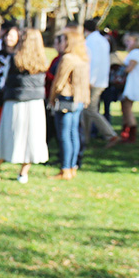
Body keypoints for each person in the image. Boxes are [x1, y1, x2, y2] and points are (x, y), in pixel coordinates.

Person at [0, 29, 51, 183]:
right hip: (35, 103)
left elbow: (3, 82)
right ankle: (23, 173)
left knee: (7, 135)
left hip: (15, 102)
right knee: (32, 136)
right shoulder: (42, 61)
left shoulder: (14, 59)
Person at [48, 28, 90, 180]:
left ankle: (65, 168)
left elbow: (59, 82)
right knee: (74, 134)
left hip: (66, 99)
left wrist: (52, 98)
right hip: (78, 100)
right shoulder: (82, 59)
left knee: (65, 135)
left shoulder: (67, 59)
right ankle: (72, 167)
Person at [82, 19, 122, 147]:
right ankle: (85, 137)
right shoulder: (102, 40)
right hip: (101, 80)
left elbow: (94, 62)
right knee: (86, 110)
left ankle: (110, 134)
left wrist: (90, 80)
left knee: (91, 110)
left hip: (93, 81)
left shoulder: (92, 41)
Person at [119, 32, 139, 143]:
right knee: (125, 109)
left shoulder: (136, 53)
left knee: (127, 109)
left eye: (129, 41)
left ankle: (130, 134)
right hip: (131, 84)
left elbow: (129, 68)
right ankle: (126, 132)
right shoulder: (135, 53)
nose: (127, 43)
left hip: (132, 85)